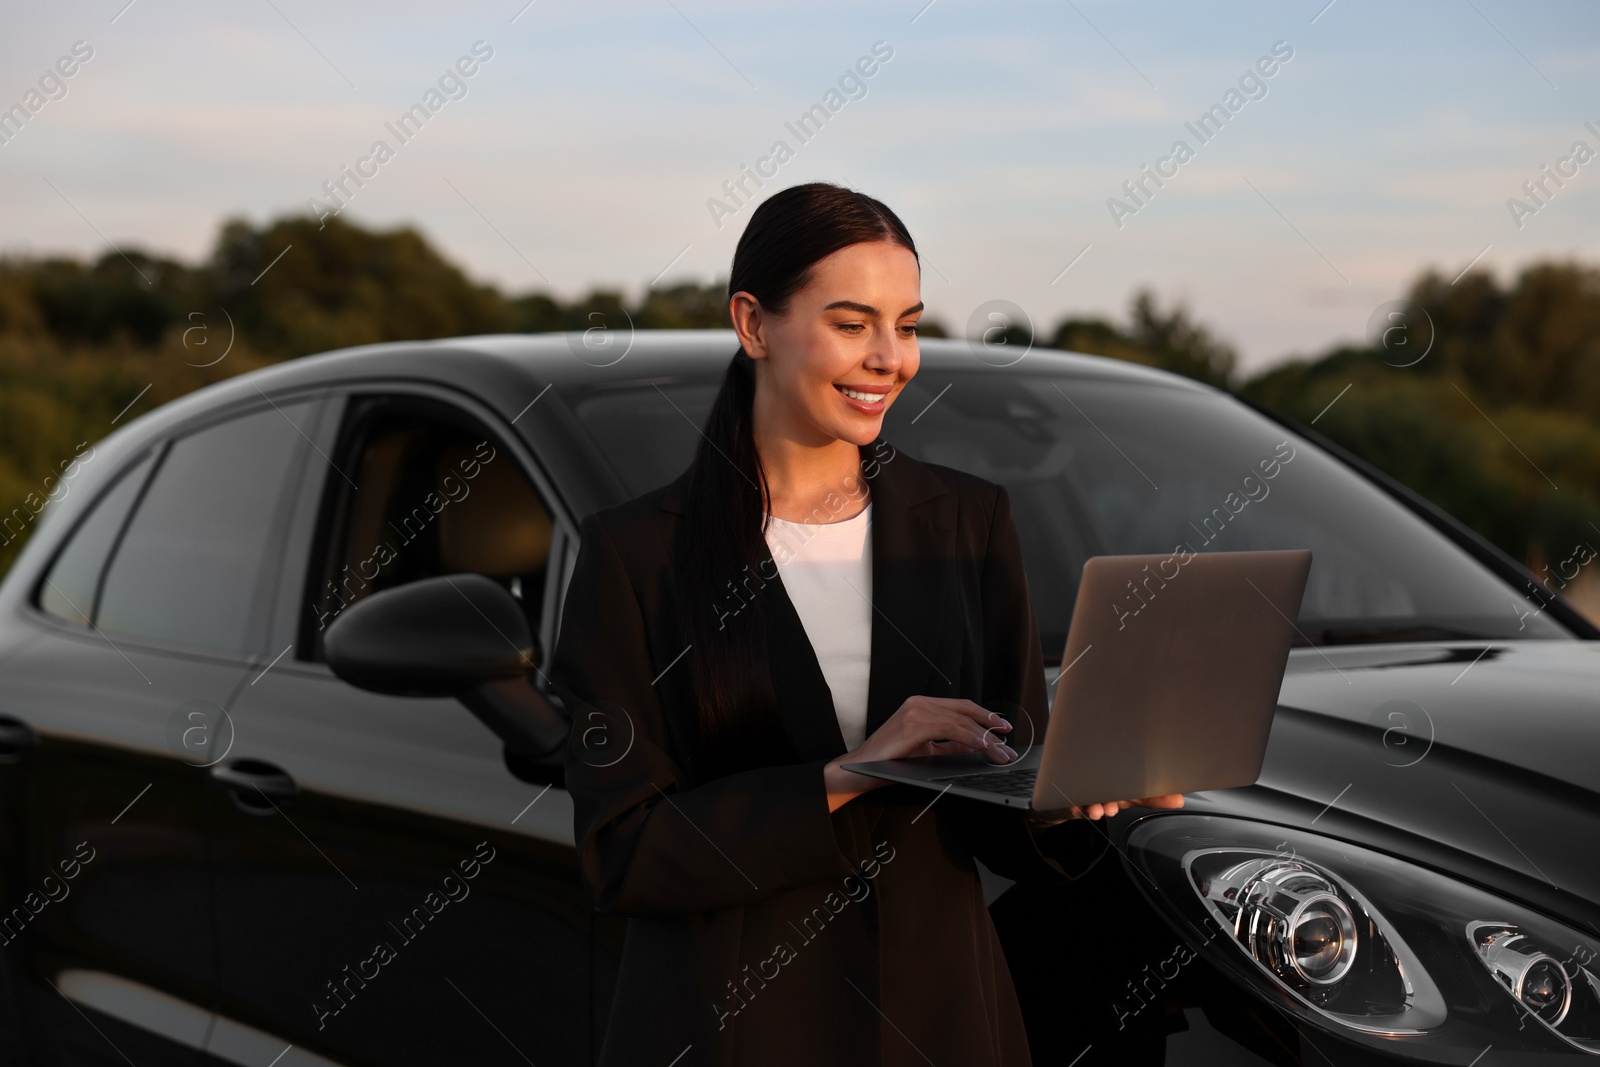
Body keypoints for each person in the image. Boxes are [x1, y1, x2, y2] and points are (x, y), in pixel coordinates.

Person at [549, 182, 1182, 1067]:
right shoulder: (636, 557)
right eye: (852, 324)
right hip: (736, 1033)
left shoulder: (968, 522)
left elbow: (1000, 808)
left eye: (909, 325)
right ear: (753, 323)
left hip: (943, 1025)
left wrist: (1066, 799)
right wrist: (850, 774)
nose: (891, 357)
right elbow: (626, 854)